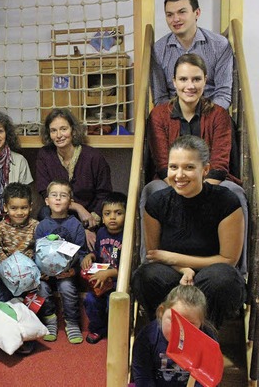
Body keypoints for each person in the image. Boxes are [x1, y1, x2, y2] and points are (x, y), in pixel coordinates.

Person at [142, 53, 247, 270]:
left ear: (205, 80)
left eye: (196, 79)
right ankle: (150, 262)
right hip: (172, 181)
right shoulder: (159, 115)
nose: (190, 86)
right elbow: (162, 163)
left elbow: (219, 164)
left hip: (211, 184)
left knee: (236, 193)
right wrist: (183, 187)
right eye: (183, 79)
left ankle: (237, 269)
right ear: (174, 82)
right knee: (151, 190)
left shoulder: (219, 115)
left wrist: (199, 192)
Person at [132, 135, 245, 328]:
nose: (179, 175)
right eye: (173, 167)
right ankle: (164, 334)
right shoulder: (156, 202)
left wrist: (174, 259)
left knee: (222, 279)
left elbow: (228, 260)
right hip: (173, 273)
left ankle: (204, 339)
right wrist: (184, 269)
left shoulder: (226, 201)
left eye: (189, 167)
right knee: (146, 276)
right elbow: (155, 255)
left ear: (205, 170)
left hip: (211, 274)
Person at [35, 108, 112, 249]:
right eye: (53, 130)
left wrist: (90, 227)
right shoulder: (45, 155)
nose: (59, 135)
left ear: (73, 130)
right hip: (58, 213)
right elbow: (45, 191)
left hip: (89, 216)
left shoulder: (93, 157)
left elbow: (104, 193)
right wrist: (77, 207)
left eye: (63, 129)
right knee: (44, 213)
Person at [150, 0, 233, 109]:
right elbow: (160, 98)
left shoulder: (220, 45)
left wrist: (205, 119)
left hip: (211, 113)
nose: (175, 19)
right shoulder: (158, 50)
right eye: (170, 14)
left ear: (197, 13)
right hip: (174, 116)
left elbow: (223, 94)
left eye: (182, 12)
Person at [35, 180, 86, 344]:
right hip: (46, 273)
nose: (58, 199)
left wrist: (73, 270)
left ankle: (72, 322)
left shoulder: (75, 225)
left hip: (67, 273)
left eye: (63, 196)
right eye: (54, 195)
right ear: (47, 201)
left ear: (70, 202)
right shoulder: (42, 226)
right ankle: (50, 320)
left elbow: (81, 252)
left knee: (66, 287)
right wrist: (39, 271)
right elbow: (37, 252)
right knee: (41, 287)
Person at [131, 285, 215, 386]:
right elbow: (143, 377)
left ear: (201, 323)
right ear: (161, 312)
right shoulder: (147, 337)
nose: (181, 331)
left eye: (190, 325)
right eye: (174, 320)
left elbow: (207, 379)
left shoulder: (207, 341)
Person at [0, 182, 42, 354]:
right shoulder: (0, 228)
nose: (19, 212)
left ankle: (26, 336)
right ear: (5, 207)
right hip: (8, 275)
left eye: (23, 208)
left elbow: (39, 250)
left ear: (30, 206)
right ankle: (8, 334)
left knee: (31, 301)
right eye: (14, 208)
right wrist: (10, 267)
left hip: (30, 276)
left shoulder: (36, 226)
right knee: (3, 298)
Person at [81, 192, 127, 344]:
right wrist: (90, 256)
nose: (112, 217)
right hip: (100, 281)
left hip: (117, 283)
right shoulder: (101, 232)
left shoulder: (127, 236)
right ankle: (97, 328)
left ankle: (115, 331)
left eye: (118, 213)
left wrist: (109, 273)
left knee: (112, 304)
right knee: (90, 300)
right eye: (107, 214)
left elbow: (129, 268)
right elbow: (97, 252)